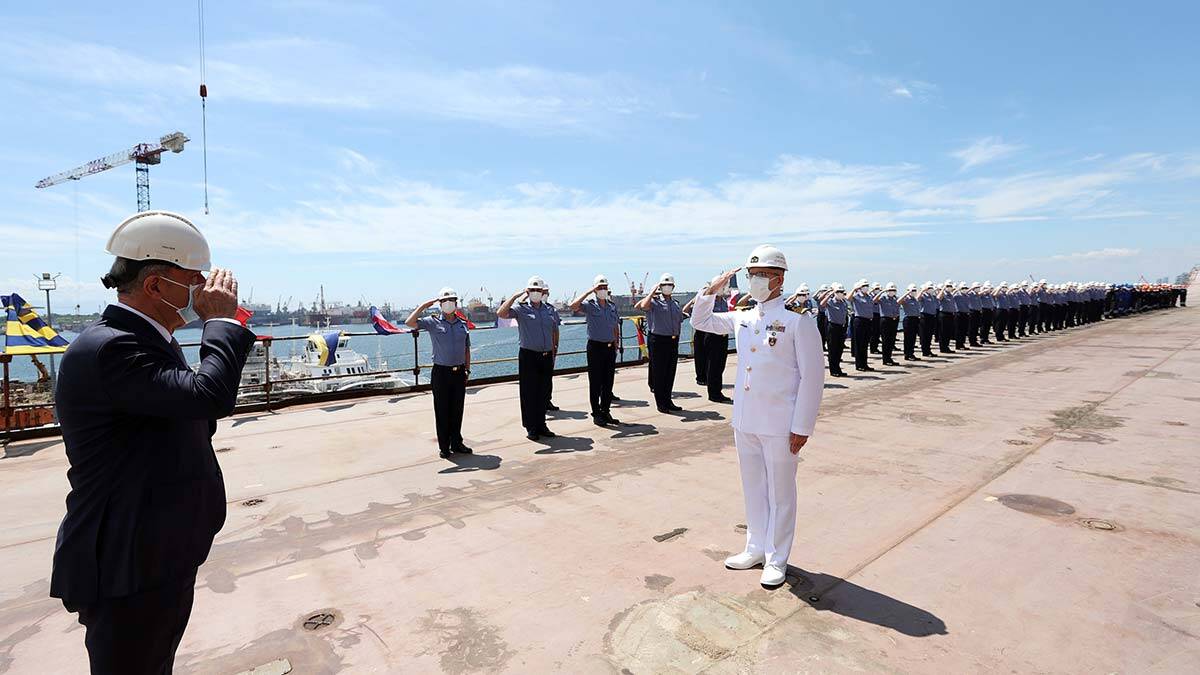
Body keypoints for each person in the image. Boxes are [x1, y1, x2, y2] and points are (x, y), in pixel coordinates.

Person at [51, 211, 255, 675]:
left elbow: (190, 418)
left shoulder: (146, 340)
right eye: (194, 278)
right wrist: (221, 323)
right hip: (128, 562)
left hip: (155, 553)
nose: (205, 289)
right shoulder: (113, 347)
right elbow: (209, 398)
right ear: (157, 285)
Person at [690, 245, 824, 589]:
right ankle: (755, 547)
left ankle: (777, 558)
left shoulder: (798, 320)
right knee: (753, 488)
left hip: (781, 424)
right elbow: (701, 320)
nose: (754, 281)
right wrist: (712, 289)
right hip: (746, 421)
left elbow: (813, 376)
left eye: (761, 275)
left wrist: (802, 426)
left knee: (781, 493)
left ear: (779, 279)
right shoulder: (745, 316)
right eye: (751, 275)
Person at [406, 287, 472, 458]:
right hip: (441, 373)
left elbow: (467, 349)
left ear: (456, 303)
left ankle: (457, 442)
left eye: (451, 300)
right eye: (445, 301)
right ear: (440, 303)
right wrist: (423, 306)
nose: (449, 304)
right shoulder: (432, 322)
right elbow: (409, 323)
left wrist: (467, 369)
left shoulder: (463, 324)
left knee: (457, 409)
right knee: (442, 410)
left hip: (459, 372)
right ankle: (444, 446)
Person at [498, 276, 559, 441]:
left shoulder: (549, 310)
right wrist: (515, 296)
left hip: (546, 355)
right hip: (529, 356)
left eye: (539, 290)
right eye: (533, 290)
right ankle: (531, 427)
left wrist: (554, 351)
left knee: (543, 393)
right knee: (529, 393)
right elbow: (501, 313)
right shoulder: (521, 309)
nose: (536, 293)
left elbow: (554, 330)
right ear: (528, 291)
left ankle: (541, 424)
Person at [569, 275, 622, 426]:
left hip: (610, 347)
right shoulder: (590, 305)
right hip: (595, 348)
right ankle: (596, 413)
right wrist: (589, 292)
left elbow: (614, 326)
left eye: (605, 287)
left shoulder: (612, 306)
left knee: (608, 382)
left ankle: (606, 411)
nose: (603, 290)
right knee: (596, 382)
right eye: (600, 288)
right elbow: (573, 306)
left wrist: (616, 342)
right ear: (595, 289)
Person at [635, 273, 685, 413]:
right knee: (659, 373)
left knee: (670, 372)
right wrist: (652, 292)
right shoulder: (654, 302)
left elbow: (679, 318)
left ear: (673, 287)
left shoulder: (675, 304)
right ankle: (660, 403)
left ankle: (668, 400)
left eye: (669, 285)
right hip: (658, 340)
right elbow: (642, 306)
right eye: (664, 285)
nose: (667, 287)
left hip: (673, 340)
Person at [686, 283, 732, 403]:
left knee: (720, 365)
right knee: (713, 365)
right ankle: (713, 393)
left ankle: (718, 391)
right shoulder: (709, 302)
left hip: (723, 336)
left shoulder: (723, 301)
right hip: (712, 335)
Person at [820, 283, 848, 377]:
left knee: (839, 349)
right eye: (838, 292)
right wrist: (829, 293)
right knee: (833, 349)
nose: (840, 293)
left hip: (841, 327)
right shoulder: (831, 302)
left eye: (842, 292)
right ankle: (833, 370)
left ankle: (838, 368)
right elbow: (822, 303)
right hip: (833, 327)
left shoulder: (843, 302)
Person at [543, 285, 562, 411]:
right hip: (535, 350)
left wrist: (555, 346)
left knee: (548, 377)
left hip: (549, 349)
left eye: (546, 292)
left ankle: (547, 400)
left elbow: (555, 330)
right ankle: (538, 403)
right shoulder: (527, 310)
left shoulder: (551, 310)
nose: (544, 294)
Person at [849, 279, 874, 371]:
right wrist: (855, 289)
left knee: (865, 344)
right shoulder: (856, 296)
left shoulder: (869, 297)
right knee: (859, 344)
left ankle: (864, 363)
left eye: (867, 285)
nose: (866, 287)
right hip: (859, 320)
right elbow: (848, 298)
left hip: (868, 321)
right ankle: (859, 365)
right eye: (864, 285)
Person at [877, 282, 900, 366]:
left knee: (891, 340)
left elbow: (898, 307)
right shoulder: (883, 298)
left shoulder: (895, 299)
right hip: (885, 320)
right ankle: (885, 359)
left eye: (894, 290)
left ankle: (889, 358)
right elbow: (874, 300)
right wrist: (882, 292)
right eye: (890, 290)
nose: (892, 291)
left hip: (893, 320)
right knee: (886, 341)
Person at [899, 284, 921, 361]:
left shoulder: (915, 299)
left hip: (915, 319)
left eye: (915, 290)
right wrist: (907, 293)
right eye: (912, 290)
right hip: (908, 319)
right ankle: (907, 354)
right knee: (908, 338)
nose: (914, 292)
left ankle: (911, 353)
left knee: (913, 338)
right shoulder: (906, 299)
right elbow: (898, 302)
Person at [936, 280, 956, 353]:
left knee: (948, 332)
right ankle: (943, 347)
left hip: (950, 314)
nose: (949, 287)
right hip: (944, 314)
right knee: (943, 332)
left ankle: (946, 346)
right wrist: (943, 288)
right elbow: (938, 297)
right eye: (948, 286)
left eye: (950, 286)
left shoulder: (950, 294)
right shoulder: (943, 293)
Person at [918, 282, 938, 357]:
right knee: (924, 335)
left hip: (932, 316)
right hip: (924, 316)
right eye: (929, 288)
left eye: (931, 288)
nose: (930, 289)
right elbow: (917, 298)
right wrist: (923, 290)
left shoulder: (932, 296)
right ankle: (925, 351)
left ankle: (928, 350)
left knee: (929, 335)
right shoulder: (923, 296)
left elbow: (938, 298)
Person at [868, 282, 883, 355]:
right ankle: (873, 348)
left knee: (877, 332)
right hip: (873, 314)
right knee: (873, 332)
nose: (877, 290)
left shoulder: (879, 296)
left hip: (878, 314)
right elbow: (873, 300)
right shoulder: (870, 296)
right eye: (876, 289)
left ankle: (875, 347)